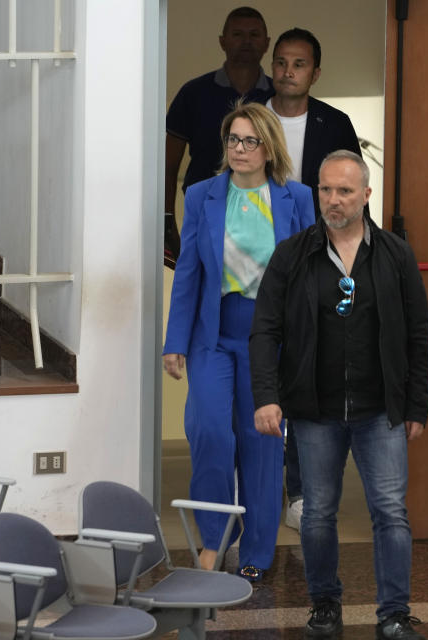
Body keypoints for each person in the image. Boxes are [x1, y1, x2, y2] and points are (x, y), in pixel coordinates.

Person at [249, 150, 428, 639]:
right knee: (317, 514)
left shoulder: (395, 255)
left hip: (381, 412)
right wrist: (266, 396)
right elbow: (264, 330)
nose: (332, 199)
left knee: (390, 513)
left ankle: (393, 612)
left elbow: (419, 333)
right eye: (325, 190)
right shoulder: (292, 254)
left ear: (367, 195)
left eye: (344, 191)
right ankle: (324, 604)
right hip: (314, 410)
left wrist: (417, 404)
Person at [163, 101, 314, 582]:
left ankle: (257, 551)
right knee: (209, 430)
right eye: (233, 139)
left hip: (270, 339)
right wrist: (175, 341)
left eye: (250, 141)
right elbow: (187, 273)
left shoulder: (298, 197)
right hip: (213, 334)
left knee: (261, 441)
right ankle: (213, 540)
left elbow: (311, 277)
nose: (239, 149)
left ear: (269, 148)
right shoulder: (205, 194)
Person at [265, 27, 364, 532]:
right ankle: (259, 489)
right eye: (281, 61)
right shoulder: (252, 119)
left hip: (318, 262)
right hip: (259, 263)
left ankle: (300, 490)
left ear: (315, 72)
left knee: (307, 374)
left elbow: (349, 194)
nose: (288, 71)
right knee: (262, 374)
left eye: (299, 63)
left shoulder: (335, 123)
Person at [164, 6, 273, 268]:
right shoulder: (193, 93)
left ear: (267, 43)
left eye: (254, 34)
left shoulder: (277, 98)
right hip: (203, 215)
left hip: (263, 218)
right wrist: (167, 223)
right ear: (222, 41)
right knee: (203, 296)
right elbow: (167, 168)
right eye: (237, 34)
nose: (246, 41)